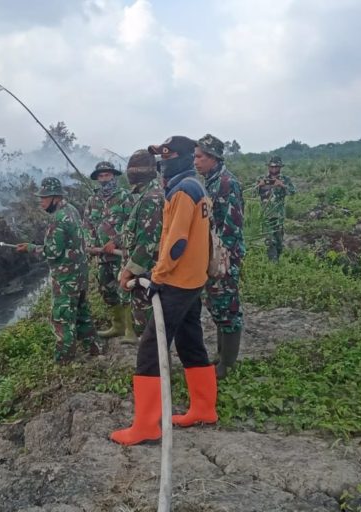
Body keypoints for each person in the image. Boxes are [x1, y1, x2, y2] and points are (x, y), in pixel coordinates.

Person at [111, 136, 217, 446]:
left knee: (149, 351)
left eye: (168, 156)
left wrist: (157, 276)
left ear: (182, 158)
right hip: (193, 280)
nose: (162, 162)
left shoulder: (183, 191)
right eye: (160, 156)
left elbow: (177, 242)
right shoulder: (195, 186)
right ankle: (203, 409)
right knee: (190, 341)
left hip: (178, 281)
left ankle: (146, 426)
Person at [16, 177, 99, 363]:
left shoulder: (58, 219)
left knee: (62, 318)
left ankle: (64, 359)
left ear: (55, 198)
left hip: (66, 278)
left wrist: (30, 248)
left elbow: (52, 252)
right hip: (80, 274)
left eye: (44, 198)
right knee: (82, 313)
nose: (41, 201)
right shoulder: (72, 211)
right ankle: (95, 348)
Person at [194, 134, 246, 379]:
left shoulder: (227, 183)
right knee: (216, 306)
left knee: (228, 307)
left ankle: (227, 363)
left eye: (200, 157)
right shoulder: (210, 182)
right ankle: (221, 355)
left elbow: (232, 227)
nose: (196, 162)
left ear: (213, 158)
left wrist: (220, 261)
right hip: (212, 256)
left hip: (224, 258)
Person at [83, 161, 133, 340]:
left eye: (107, 175)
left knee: (125, 288)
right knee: (107, 290)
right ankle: (117, 326)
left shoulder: (125, 197)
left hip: (120, 255)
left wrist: (115, 242)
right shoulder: (92, 200)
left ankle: (130, 330)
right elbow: (87, 224)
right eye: (101, 176)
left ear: (114, 176)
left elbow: (131, 224)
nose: (104, 179)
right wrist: (90, 244)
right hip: (101, 256)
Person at [118, 149, 164, 339]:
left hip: (147, 274)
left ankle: (154, 364)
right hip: (146, 273)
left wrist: (127, 273)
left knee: (149, 327)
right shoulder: (149, 195)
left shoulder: (150, 199)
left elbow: (146, 244)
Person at [256, 155, 296, 261]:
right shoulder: (261, 178)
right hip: (266, 215)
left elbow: (293, 192)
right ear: (268, 167)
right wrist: (259, 186)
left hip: (279, 216)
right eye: (272, 167)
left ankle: (277, 261)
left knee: (278, 241)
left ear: (280, 167)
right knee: (270, 240)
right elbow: (251, 194)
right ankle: (272, 263)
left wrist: (282, 185)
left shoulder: (285, 179)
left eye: (276, 167)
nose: (274, 169)